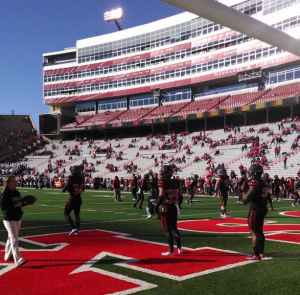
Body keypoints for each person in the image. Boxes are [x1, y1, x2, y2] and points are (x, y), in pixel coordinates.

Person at [154, 165, 183, 256]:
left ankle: (171, 251)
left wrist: (155, 207)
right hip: (174, 207)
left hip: (166, 207)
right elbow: (181, 196)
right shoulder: (176, 181)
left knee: (167, 230)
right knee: (175, 228)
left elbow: (161, 195)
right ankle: (179, 248)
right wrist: (178, 205)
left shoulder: (162, 181)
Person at [243, 164, 269, 260]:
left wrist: (244, 196)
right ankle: (261, 252)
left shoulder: (255, 181)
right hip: (263, 207)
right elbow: (267, 195)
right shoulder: (265, 181)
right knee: (260, 231)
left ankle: (256, 254)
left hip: (255, 208)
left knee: (253, 231)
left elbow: (247, 197)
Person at [0, 175, 27, 266]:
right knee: (14, 239)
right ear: (8, 183)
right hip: (9, 219)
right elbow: (3, 207)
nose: (16, 182)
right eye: (13, 181)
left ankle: (7, 256)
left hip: (17, 217)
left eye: (16, 180)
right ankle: (18, 259)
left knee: (10, 238)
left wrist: (24, 203)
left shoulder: (17, 192)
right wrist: (16, 205)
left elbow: (19, 203)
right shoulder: (5, 194)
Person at [62, 166, 85, 236]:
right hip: (79, 198)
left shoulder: (71, 178)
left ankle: (73, 228)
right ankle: (77, 230)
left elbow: (63, 190)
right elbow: (83, 189)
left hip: (72, 198)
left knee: (66, 213)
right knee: (77, 214)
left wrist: (68, 188)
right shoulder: (82, 177)